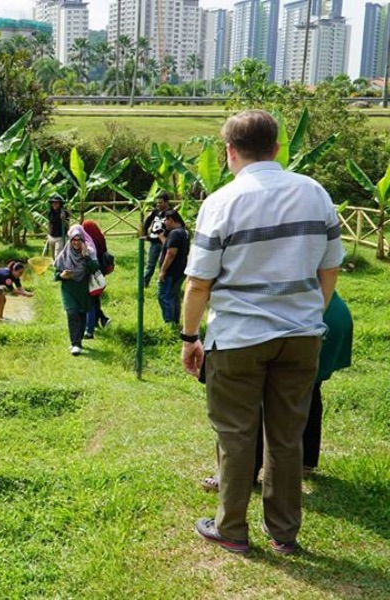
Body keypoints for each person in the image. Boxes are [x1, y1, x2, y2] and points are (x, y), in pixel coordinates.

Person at [181, 109, 344, 555]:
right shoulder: (315, 193)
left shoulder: (221, 201)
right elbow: (330, 267)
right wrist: (309, 313)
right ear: (276, 148)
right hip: (301, 335)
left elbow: (198, 283)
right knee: (287, 436)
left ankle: (231, 528)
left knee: (236, 435)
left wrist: (188, 337)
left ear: (230, 152)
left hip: (238, 337)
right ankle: (284, 533)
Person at [201, 293, 353, 491]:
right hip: (327, 315)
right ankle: (304, 460)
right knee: (308, 389)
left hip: (299, 322)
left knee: (257, 397)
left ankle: (242, 475)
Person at [54, 225, 99, 356]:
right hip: (68, 288)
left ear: (83, 240)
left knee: (81, 315)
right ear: (70, 240)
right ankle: (75, 344)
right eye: (74, 239)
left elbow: (95, 268)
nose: (76, 242)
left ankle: (78, 340)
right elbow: (56, 274)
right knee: (72, 313)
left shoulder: (89, 251)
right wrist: (61, 275)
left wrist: (86, 257)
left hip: (84, 289)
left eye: (79, 239)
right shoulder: (65, 253)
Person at [157, 210, 190, 325]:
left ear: (171, 219)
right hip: (181, 270)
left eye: (165, 220)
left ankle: (169, 323)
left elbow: (171, 253)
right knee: (174, 296)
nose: (164, 223)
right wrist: (161, 237)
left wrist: (163, 271)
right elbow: (171, 245)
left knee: (164, 297)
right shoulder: (184, 232)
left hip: (171, 271)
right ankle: (175, 322)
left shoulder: (175, 233)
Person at [81, 219, 111, 338]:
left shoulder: (89, 244)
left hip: (93, 271)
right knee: (95, 297)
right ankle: (100, 320)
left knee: (91, 299)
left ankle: (100, 321)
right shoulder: (100, 239)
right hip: (100, 272)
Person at [142, 192, 170, 287]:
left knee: (162, 264)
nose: (158, 205)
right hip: (153, 242)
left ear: (166, 202)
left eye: (161, 203)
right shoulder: (155, 212)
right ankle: (145, 283)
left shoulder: (171, 213)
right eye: (157, 203)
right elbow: (147, 222)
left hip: (165, 243)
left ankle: (162, 284)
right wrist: (145, 233)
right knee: (150, 264)